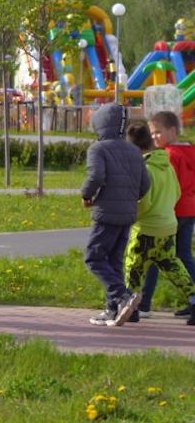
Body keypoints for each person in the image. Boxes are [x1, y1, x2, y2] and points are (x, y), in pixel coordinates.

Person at [81, 102, 152, 326]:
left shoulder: (98, 149)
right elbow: (145, 183)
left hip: (107, 213)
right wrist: (131, 197)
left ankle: (123, 296)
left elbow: (96, 177)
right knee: (114, 261)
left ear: (100, 124)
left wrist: (86, 195)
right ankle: (113, 309)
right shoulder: (133, 150)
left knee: (93, 257)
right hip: (128, 214)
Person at [120, 120, 195, 325]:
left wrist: (133, 215)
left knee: (133, 265)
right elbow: (177, 192)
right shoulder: (166, 164)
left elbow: (144, 200)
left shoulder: (144, 169)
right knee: (172, 265)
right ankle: (193, 299)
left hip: (146, 227)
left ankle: (132, 307)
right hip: (168, 225)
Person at [139, 110, 195, 317]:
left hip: (172, 211)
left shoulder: (169, 156)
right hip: (189, 208)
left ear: (172, 131)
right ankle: (193, 300)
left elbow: (165, 185)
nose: (153, 137)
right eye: (151, 134)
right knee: (183, 255)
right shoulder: (190, 152)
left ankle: (143, 303)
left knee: (153, 255)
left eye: (157, 133)